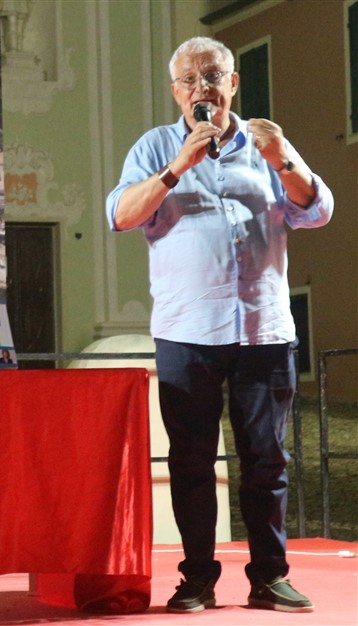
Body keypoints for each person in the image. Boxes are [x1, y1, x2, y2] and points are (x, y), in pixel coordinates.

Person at [106, 37, 333, 615]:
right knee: (191, 463)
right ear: (175, 92)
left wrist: (283, 158)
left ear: (232, 83)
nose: (201, 88)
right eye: (189, 80)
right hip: (188, 331)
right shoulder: (155, 146)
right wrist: (176, 168)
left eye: (212, 76)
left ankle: (270, 577)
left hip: (264, 331)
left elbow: (316, 210)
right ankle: (197, 580)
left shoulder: (266, 143)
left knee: (266, 461)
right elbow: (122, 215)